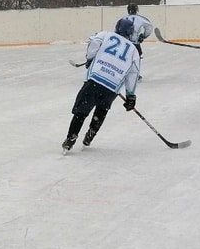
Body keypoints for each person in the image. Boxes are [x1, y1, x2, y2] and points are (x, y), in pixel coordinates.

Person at [61, 18, 142, 152]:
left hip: (95, 80)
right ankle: (90, 135)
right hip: (112, 87)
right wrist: (131, 96)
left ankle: (71, 138)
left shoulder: (106, 35)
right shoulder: (134, 50)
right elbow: (132, 74)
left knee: (81, 111)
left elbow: (94, 43)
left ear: (117, 27)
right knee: (101, 110)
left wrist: (90, 58)